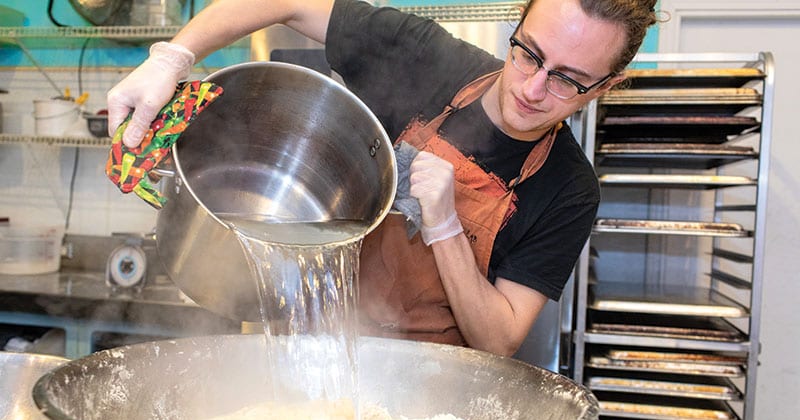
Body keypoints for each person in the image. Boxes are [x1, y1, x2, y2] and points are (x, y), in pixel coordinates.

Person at [107, 0, 658, 356]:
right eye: (529, 54)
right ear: (517, 22)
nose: (534, 89)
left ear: (606, 86)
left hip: (426, 394)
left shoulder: (568, 188)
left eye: (568, 81)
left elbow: (499, 340)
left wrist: (443, 227)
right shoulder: (425, 57)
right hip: (306, 348)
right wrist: (172, 58)